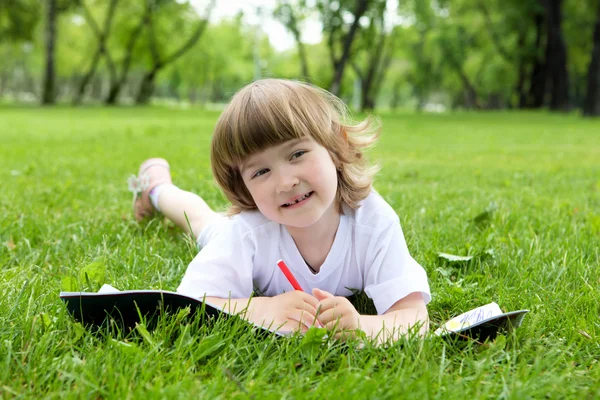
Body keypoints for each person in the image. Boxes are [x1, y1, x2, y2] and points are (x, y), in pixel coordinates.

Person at [128, 79, 431, 343]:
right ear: (244, 186)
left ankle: (157, 186)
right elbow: (192, 304)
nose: (286, 183)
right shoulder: (246, 231)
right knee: (202, 222)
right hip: (238, 231)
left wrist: (360, 327)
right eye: (260, 172)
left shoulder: (373, 223)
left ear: (337, 146)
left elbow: (413, 320)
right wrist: (262, 309)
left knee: (204, 219)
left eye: (297, 154)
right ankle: (156, 187)